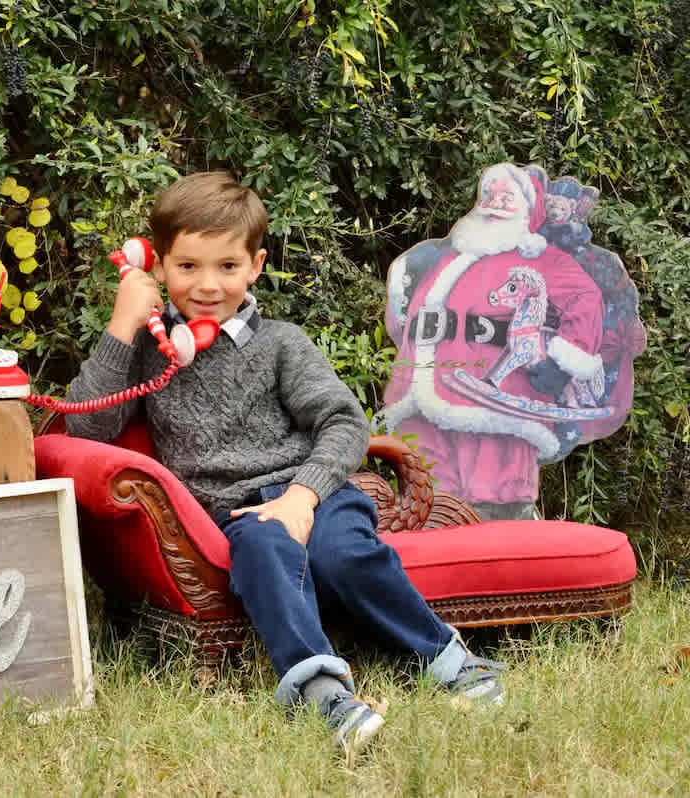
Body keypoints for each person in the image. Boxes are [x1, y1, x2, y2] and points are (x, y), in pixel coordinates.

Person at [65, 171, 505, 754]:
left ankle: (446, 657)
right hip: (239, 510)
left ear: (255, 265)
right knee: (266, 547)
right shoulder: (150, 351)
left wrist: (303, 495)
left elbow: (345, 423)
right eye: (187, 266)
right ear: (157, 265)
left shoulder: (281, 343)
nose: (206, 284)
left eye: (227, 266)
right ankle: (321, 689)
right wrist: (123, 322)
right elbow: (86, 427)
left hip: (315, 491)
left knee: (343, 553)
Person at [377, 163, 606, 520]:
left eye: (506, 196)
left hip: (496, 409)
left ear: (528, 209)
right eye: (489, 195)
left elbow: (586, 300)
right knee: (431, 507)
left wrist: (561, 361)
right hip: (423, 404)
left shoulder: (540, 260)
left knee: (497, 506)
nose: (495, 203)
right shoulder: (451, 257)